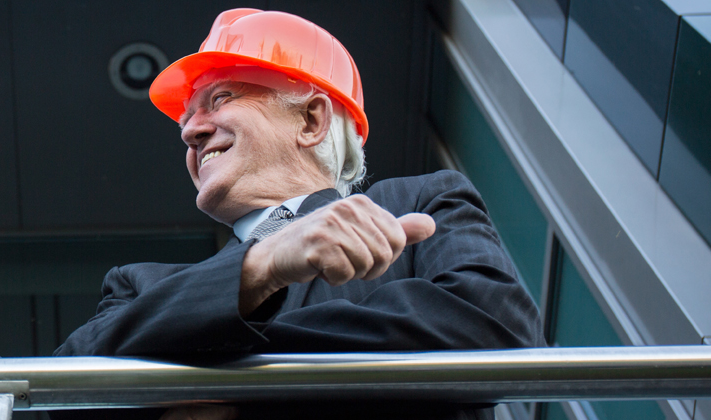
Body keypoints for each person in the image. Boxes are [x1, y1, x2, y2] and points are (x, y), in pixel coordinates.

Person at [54, 9, 542, 420]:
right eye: (186, 118)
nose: (190, 132)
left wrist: (218, 376)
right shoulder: (139, 285)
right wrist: (259, 268)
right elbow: (63, 389)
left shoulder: (418, 204)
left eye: (220, 99)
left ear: (311, 120)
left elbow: (497, 332)